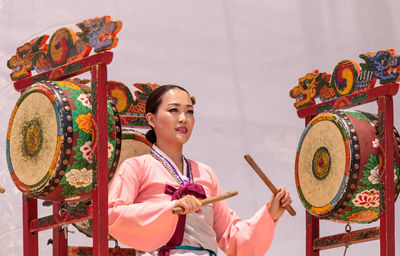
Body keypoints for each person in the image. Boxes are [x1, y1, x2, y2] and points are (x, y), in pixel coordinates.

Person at [108, 85, 292, 256]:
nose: (183, 118)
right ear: (151, 119)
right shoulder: (136, 167)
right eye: (174, 110)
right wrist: (170, 208)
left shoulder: (205, 173)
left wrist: (271, 214)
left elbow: (231, 238)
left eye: (189, 112)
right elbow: (112, 216)